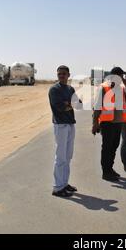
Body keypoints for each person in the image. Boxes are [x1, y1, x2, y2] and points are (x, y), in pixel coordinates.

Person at [49, 65, 82, 197]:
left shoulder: (70, 89)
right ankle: (57, 187)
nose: (61, 76)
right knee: (60, 156)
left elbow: (78, 104)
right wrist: (70, 104)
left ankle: (64, 183)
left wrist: (69, 104)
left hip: (70, 124)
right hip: (60, 125)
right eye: (59, 74)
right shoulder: (54, 89)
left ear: (69, 75)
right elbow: (60, 108)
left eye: (63, 74)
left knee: (68, 156)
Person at [92, 67, 126, 182]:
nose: (121, 78)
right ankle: (106, 172)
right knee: (107, 147)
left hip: (118, 122)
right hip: (107, 123)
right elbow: (97, 106)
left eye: (122, 76)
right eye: (119, 76)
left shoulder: (121, 88)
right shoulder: (104, 87)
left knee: (114, 146)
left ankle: (110, 168)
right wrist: (95, 123)